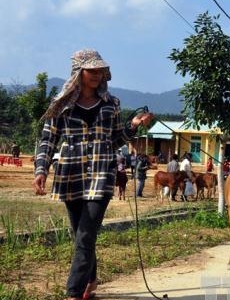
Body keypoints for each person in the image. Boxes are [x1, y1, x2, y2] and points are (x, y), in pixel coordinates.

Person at [31, 49, 153, 300]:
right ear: (79, 72)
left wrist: (133, 126)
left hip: (102, 174)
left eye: (100, 70)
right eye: (92, 70)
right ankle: (92, 279)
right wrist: (41, 169)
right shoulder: (61, 104)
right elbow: (48, 140)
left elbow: (117, 138)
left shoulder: (112, 104)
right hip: (70, 175)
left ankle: (73, 293)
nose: (97, 75)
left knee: (86, 235)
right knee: (80, 234)